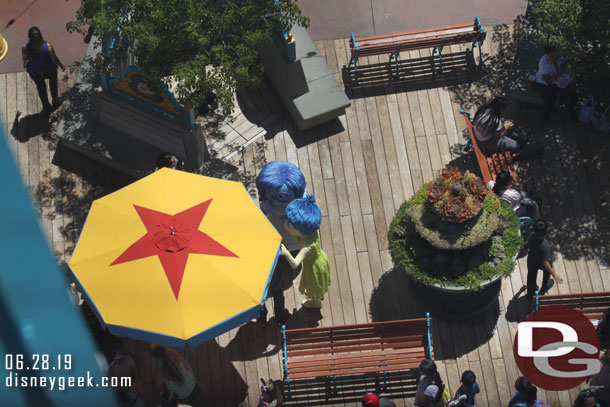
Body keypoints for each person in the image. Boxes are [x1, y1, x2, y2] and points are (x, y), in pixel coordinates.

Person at [256, 161, 307, 326]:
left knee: (281, 274)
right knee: (282, 276)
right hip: (276, 244)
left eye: (280, 197)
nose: (275, 200)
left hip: (288, 244)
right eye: (270, 195)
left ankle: (264, 317)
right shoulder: (269, 205)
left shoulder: (299, 206)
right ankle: (277, 317)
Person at [280, 195, 331, 309]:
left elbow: (295, 264)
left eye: (289, 224)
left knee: (315, 285)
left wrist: (285, 252)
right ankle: (316, 294)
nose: (285, 224)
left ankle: (316, 302)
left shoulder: (308, 246)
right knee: (314, 285)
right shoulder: (311, 227)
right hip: (315, 260)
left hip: (315, 267)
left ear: (301, 231)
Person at [21, 27, 65, 115]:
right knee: (53, 81)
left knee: (41, 88)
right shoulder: (48, 47)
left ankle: (46, 106)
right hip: (49, 69)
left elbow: (24, 59)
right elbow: (55, 59)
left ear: (29, 37)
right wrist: (61, 65)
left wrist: (25, 64)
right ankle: (55, 99)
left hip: (35, 71)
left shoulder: (25, 47)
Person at [533, 45, 577, 122]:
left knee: (573, 94)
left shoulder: (564, 57)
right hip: (544, 84)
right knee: (549, 101)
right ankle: (545, 116)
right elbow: (547, 81)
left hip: (559, 81)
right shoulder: (544, 63)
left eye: (556, 56)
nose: (554, 58)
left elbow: (572, 73)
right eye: (552, 56)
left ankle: (570, 111)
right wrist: (559, 73)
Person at [525, 221, 564, 301]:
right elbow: (545, 263)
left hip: (532, 259)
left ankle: (530, 295)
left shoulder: (531, 235)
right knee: (547, 273)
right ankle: (543, 288)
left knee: (531, 277)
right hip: (541, 262)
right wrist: (554, 274)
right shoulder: (545, 245)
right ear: (547, 231)